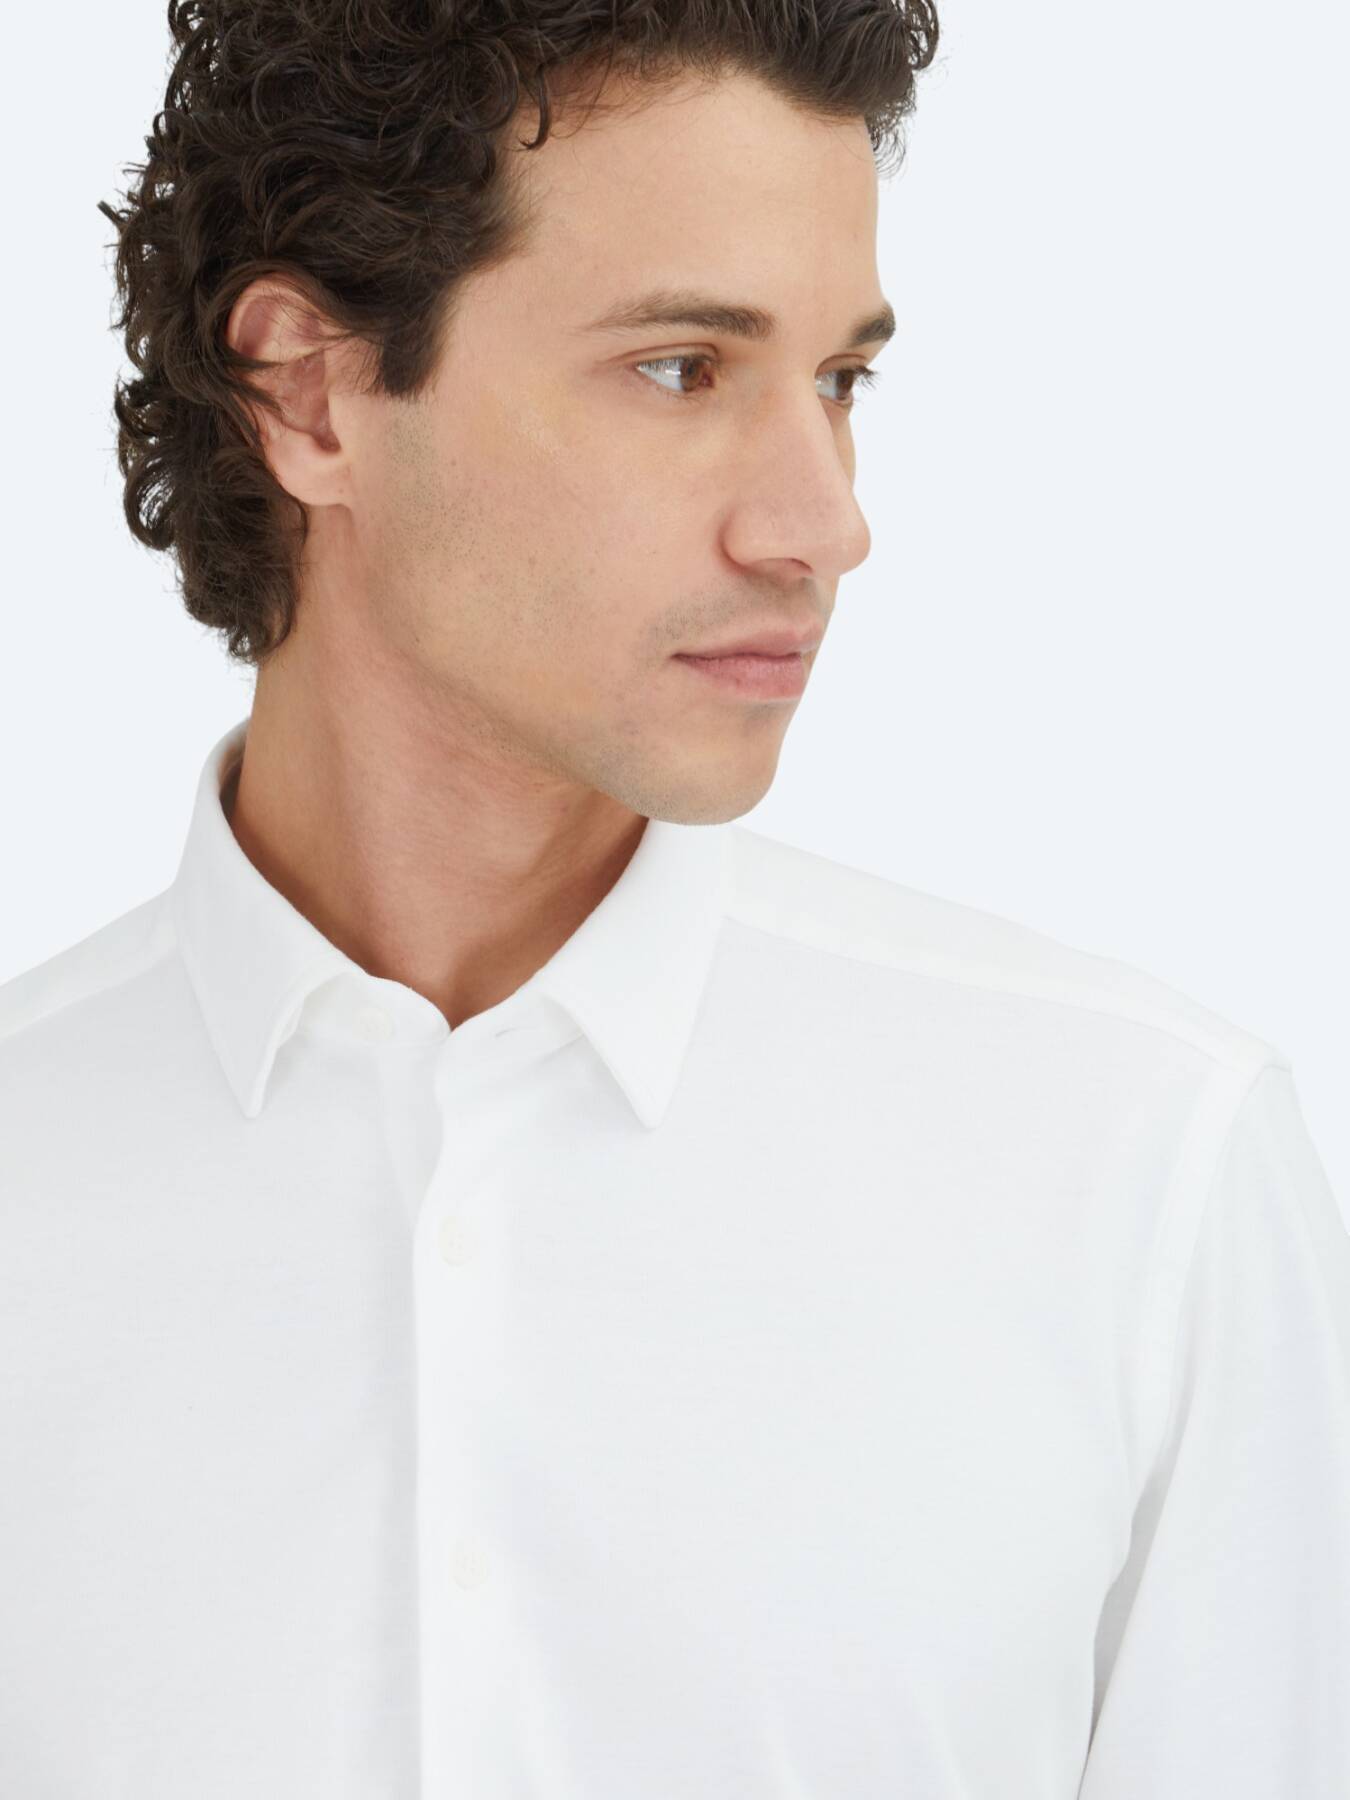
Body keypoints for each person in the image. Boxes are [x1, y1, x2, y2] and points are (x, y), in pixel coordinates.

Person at [2, 2, 1347, 1795]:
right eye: (680, 370)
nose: (823, 524)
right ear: (309, 393)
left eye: (840, 382)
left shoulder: (1137, 1170)